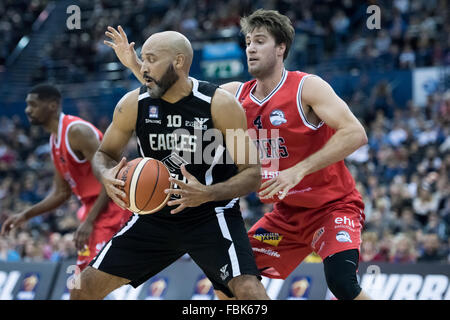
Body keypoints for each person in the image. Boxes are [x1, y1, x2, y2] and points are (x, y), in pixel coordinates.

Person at [106, 9, 371, 300]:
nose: (251, 48)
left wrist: (299, 170)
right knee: (232, 284)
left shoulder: (306, 87)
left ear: (281, 48)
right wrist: (138, 66)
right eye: (247, 42)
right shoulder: (233, 97)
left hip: (332, 211)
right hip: (284, 221)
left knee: (342, 284)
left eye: (260, 41)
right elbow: (183, 96)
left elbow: (355, 133)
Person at [69, 30, 269, 300]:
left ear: (178, 61)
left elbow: (253, 175)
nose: (143, 67)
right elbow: (104, 154)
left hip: (212, 214)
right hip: (154, 216)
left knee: (249, 293)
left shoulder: (219, 104)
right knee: (83, 288)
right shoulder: (132, 104)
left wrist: (207, 194)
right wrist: (106, 176)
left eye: (151, 60)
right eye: (142, 60)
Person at [0, 84, 132, 271]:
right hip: (93, 213)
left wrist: (89, 222)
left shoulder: (77, 132)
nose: (27, 110)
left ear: (53, 105)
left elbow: (110, 179)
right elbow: (61, 193)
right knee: (81, 287)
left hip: (112, 209)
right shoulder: (54, 140)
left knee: (92, 282)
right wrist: (25, 215)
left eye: (33, 104)